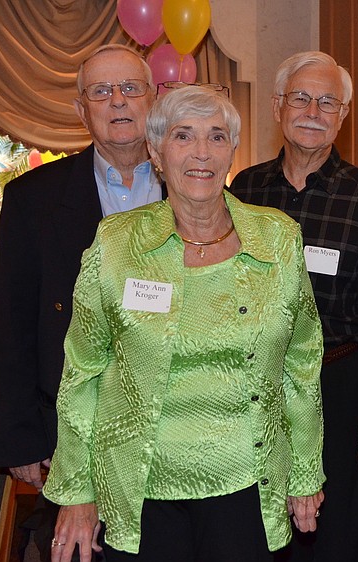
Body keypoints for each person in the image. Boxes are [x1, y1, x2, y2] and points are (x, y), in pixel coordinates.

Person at [42, 85, 325, 562]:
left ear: (233, 151)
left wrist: (304, 472)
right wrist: (76, 490)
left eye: (217, 137)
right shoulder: (116, 244)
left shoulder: (278, 238)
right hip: (142, 484)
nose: (201, 153)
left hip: (248, 479)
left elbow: (302, 362)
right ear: (156, 151)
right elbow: (82, 373)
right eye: (183, 136)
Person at [0, 44, 165, 559]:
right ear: (80, 109)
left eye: (131, 88)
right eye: (101, 91)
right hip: (68, 428)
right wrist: (21, 439)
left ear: (153, 99)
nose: (118, 102)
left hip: (171, 423)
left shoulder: (192, 190)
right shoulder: (31, 199)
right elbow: (10, 330)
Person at [230, 51, 358, 562]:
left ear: (343, 115)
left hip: (340, 382)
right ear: (277, 106)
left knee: (340, 526)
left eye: (327, 101)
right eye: (301, 97)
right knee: (259, 518)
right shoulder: (245, 191)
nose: (313, 110)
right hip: (256, 382)